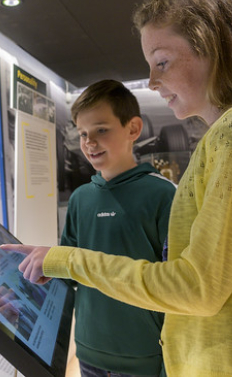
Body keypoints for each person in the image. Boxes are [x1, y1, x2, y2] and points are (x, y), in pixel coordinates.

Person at [1, 0, 232, 376]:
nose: (154, 82)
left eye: (162, 62)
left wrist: (65, 259)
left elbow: (196, 286)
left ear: (213, 47)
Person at [61, 80, 176, 377]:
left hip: (145, 357)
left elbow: (179, 283)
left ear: (133, 129)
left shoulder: (163, 195)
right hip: (88, 352)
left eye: (101, 129)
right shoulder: (79, 199)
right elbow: (68, 271)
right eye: (83, 133)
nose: (89, 142)